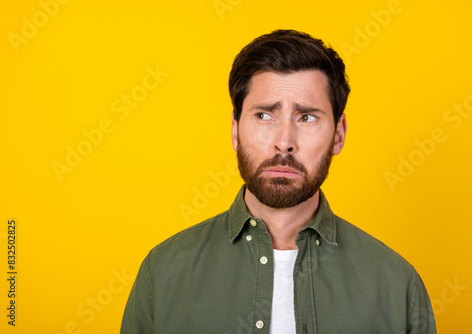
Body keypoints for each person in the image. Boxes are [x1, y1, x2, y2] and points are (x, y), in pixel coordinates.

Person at [120, 29, 436, 334]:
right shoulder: (162, 274)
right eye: (264, 115)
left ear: (338, 135)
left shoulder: (397, 286)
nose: (284, 142)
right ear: (234, 130)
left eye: (307, 117)